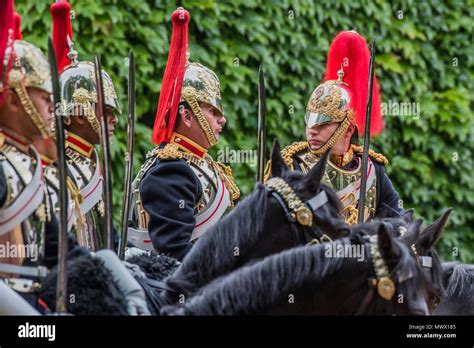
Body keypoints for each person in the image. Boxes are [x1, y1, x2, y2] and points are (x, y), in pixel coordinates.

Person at [128, 8, 240, 261]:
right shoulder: (170, 171)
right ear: (187, 116)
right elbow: (176, 254)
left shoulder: (202, 163)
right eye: (212, 111)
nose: (222, 119)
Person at [266, 31, 403, 224]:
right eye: (310, 122)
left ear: (348, 129)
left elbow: (397, 219)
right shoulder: (294, 164)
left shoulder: (372, 169)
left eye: (323, 124)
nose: (312, 130)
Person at [51, 0, 121, 251]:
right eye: (107, 112)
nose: (114, 120)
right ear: (80, 114)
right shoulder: (57, 166)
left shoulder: (90, 159)